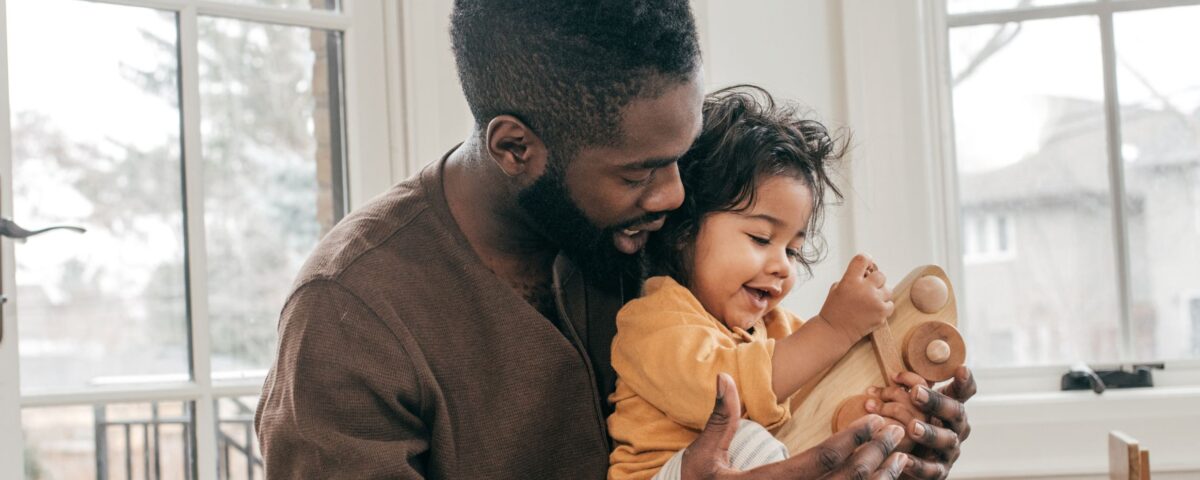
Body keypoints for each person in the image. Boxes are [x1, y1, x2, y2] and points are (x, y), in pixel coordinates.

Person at [255, 1, 975, 478]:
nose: (675, 196)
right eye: (640, 172)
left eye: (680, 156)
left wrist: (878, 435)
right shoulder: (350, 315)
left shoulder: (656, 237)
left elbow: (784, 394)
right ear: (515, 148)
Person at [607, 85, 929, 479]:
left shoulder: (780, 331)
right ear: (683, 232)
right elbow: (727, 397)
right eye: (761, 239)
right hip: (666, 473)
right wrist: (834, 327)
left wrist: (888, 415)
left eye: (792, 251)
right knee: (739, 434)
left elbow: (820, 410)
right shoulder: (652, 321)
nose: (782, 267)